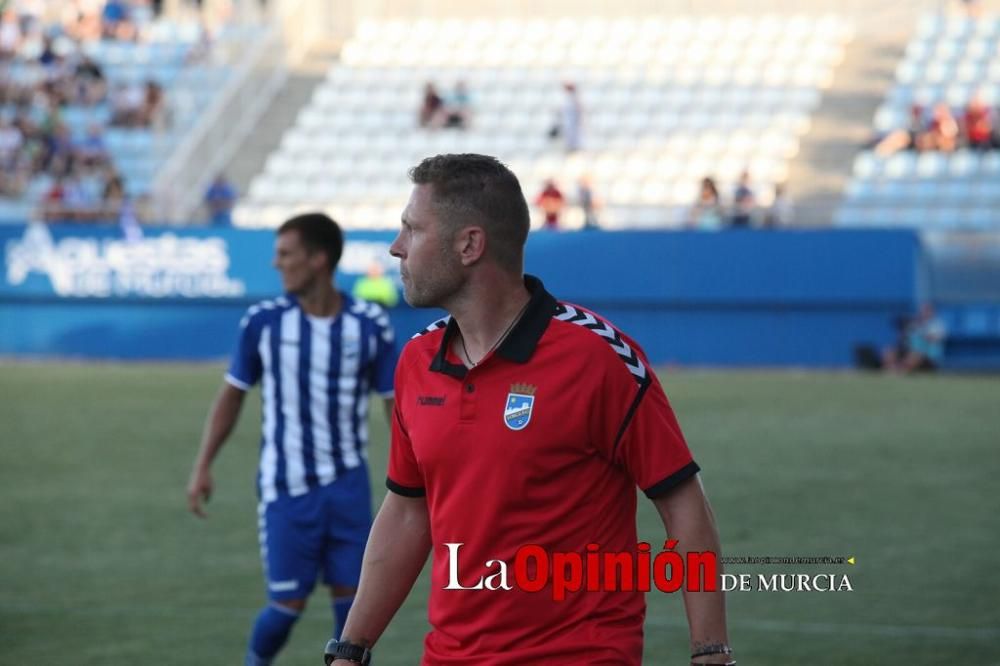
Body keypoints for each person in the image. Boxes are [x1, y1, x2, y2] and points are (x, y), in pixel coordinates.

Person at [324, 154, 732, 666]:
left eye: (412, 229)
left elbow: (682, 504)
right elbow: (408, 511)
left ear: (469, 245)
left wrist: (711, 652)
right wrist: (350, 648)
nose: (396, 247)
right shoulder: (416, 361)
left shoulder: (598, 357)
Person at [186, 213, 398, 666]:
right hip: (286, 490)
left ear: (318, 259)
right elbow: (233, 394)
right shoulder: (263, 322)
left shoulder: (368, 324)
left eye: (285, 254)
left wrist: (421, 471)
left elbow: (392, 404)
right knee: (285, 607)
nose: (276, 263)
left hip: (347, 490)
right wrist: (204, 463)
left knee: (354, 617)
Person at [882, 303, 947, 372]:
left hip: (927, 355)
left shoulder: (937, 324)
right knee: (889, 351)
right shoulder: (914, 323)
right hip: (909, 350)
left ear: (932, 312)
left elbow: (936, 338)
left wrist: (921, 332)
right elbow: (904, 338)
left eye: (926, 311)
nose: (923, 313)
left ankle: (901, 372)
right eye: (922, 311)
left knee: (915, 355)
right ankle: (890, 369)